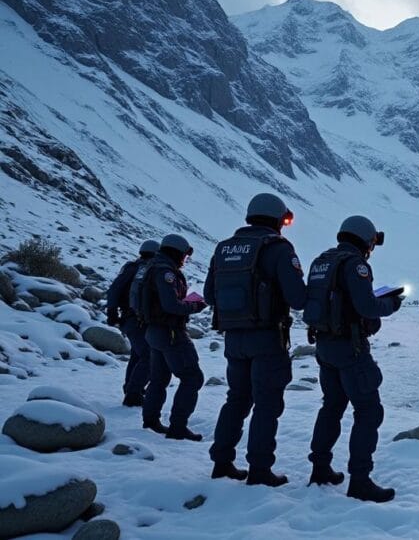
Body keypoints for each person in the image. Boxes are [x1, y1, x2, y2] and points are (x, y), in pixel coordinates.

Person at [206, 193, 307, 487]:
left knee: (236, 399)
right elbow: (298, 298)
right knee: (266, 404)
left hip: (233, 338)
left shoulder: (223, 248)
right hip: (267, 339)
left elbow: (210, 295)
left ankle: (222, 462)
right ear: (277, 219)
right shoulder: (278, 249)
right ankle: (260, 469)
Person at [305, 216, 402, 502]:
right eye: (372, 243)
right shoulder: (355, 264)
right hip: (350, 348)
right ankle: (360, 480)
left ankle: (320, 469)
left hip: (325, 346)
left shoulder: (322, 261)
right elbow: (367, 306)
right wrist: (391, 303)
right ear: (365, 239)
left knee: (331, 407)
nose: (372, 248)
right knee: (369, 411)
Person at [139, 234, 207, 441]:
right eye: (184, 256)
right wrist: (195, 305)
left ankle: (150, 419)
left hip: (153, 331)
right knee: (192, 378)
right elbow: (171, 305)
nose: (185, 260)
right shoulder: (166, 272)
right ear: (177, 253)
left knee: (159, 378)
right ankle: (178, 426)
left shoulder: (152, 267)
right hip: (170, 332)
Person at [107, 239, 159, 407]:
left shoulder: (132, 268)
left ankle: (131, 389)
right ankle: (133, 394)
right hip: (139, 320)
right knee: (149, 356)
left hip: (128, 319)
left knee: (137, 354)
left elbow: (114, 289)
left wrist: (112, 312)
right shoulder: (149, 270)